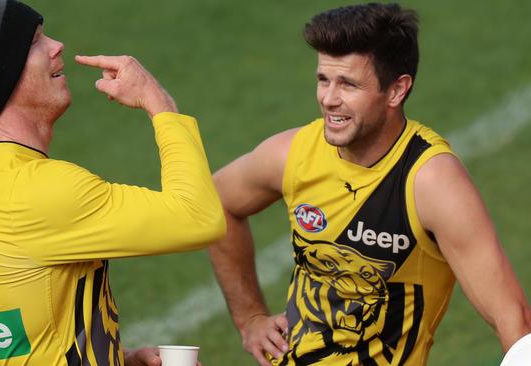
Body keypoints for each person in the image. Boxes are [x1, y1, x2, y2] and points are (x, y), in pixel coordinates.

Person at [0, 0, 224, 365]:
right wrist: (159, 103)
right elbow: (198, 218)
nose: (56, 46)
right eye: (35, 41)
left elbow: (3, 340)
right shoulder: (35, 190)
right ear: (4, 74)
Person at [208, 3, 531, 365]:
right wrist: (250, 317)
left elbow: (512, 318)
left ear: (396, 91)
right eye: (323, 79)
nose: (329, 99)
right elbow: (218, 201)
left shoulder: (431, 181)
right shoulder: (293, 153)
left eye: (348, 84)